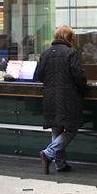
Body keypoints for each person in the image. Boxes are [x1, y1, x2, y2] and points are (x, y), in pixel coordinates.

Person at [36, 25, 87, 174]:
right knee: (71, 128)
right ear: (68, 38)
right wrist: (83, 86)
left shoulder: (45, 54)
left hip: (50, 97)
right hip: (67, 97)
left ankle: (60, 164)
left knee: (57, 129)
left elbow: (40, 75)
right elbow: (78, 76)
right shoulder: (70, 52)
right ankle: (48, 153)